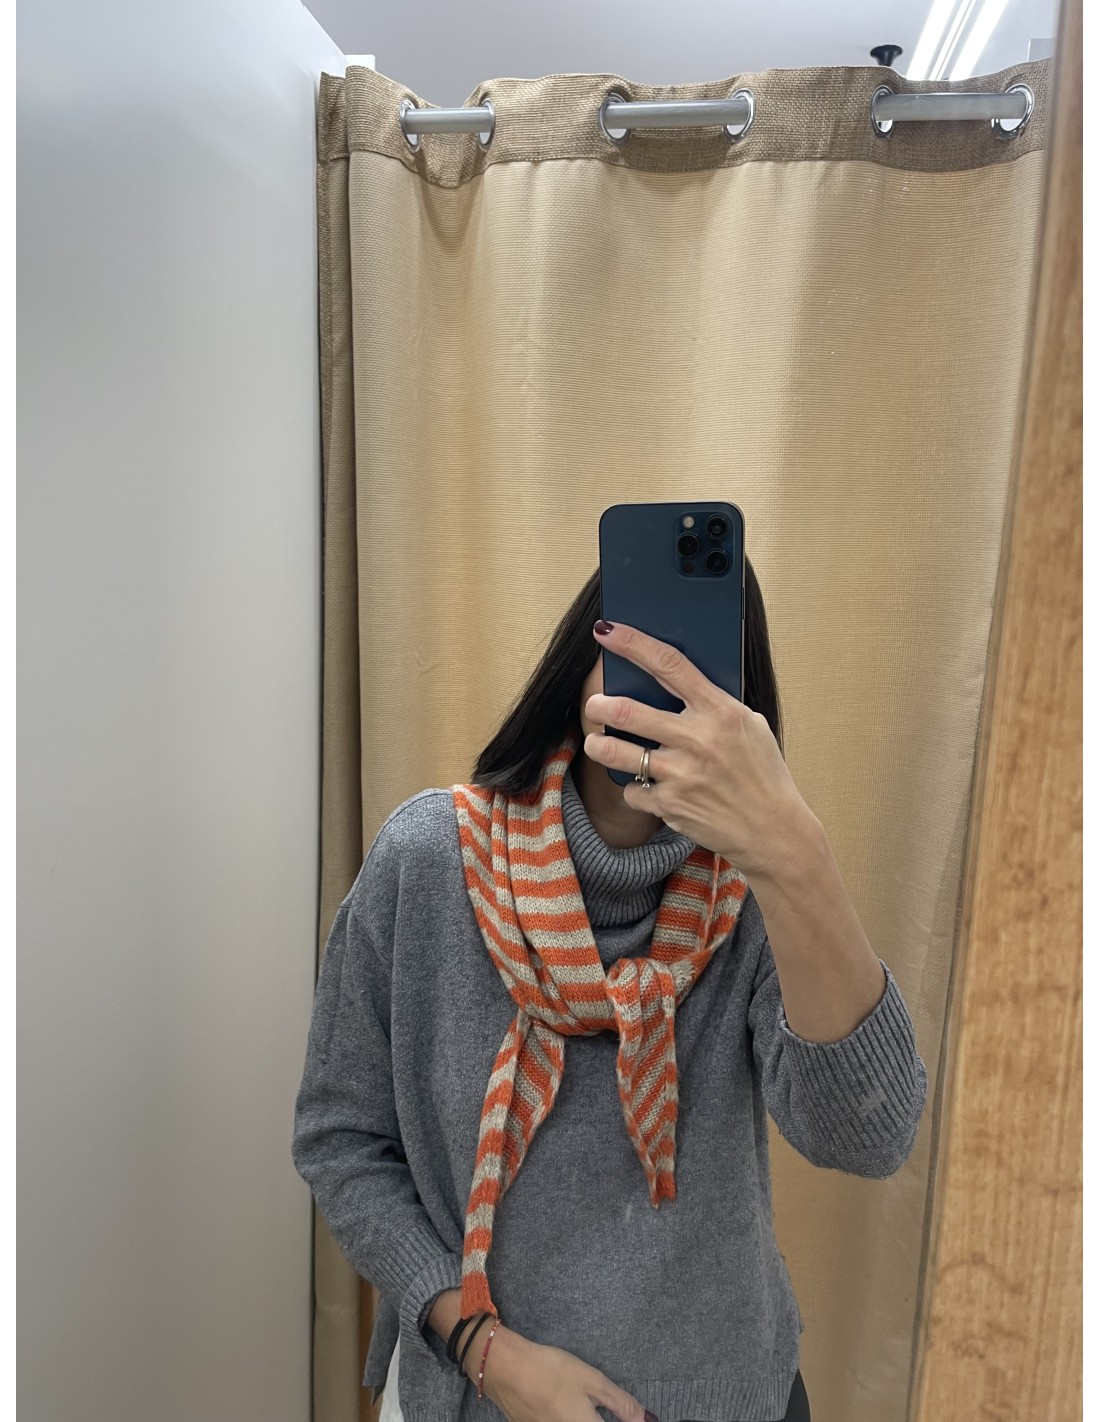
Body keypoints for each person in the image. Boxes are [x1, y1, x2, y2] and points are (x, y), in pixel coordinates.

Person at [292, 561, 928, 1422]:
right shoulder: (429, 860)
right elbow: (341, 1140)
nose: (669, 685)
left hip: (726, 1398)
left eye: (701, 664)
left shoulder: (758, 890)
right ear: (580, 658)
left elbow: (869, 1137)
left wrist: (796, 853)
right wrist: (483, 1350)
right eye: (643, 648)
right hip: (481, 1391)